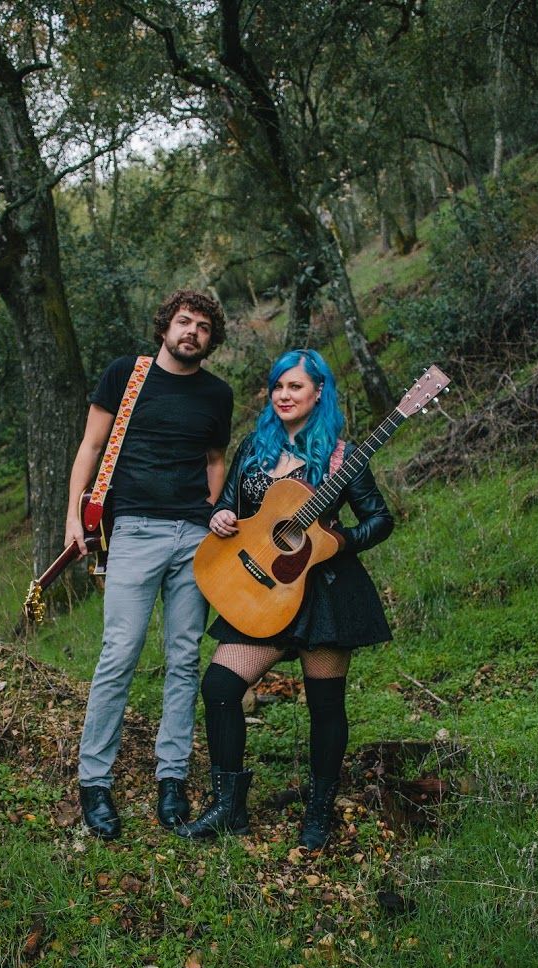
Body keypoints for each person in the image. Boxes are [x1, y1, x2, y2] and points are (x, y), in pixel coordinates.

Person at [175, 348, 394, 850]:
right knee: (220, 686)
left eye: (295, 386)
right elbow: (228, 504)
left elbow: (379, 520)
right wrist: (219, 517)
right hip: (262, 590)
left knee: (325, 704)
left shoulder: (342, 456)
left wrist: (337, 542)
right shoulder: (255, 447)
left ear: (319, 392)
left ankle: (318, 812)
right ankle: (228, 808)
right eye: (278, 386)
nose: (284, 395)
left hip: (325, 590)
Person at [66, 289, 233, 840]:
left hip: (195, 539)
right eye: (184, 321)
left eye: (203, 327)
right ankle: (94, 782)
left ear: (210, 340)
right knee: (120, 652)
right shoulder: (126, 374)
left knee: (184, 658)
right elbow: (90, 447)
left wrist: (212, 511)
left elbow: (215, 460)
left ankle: (172, 777)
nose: (192, 332)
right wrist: (73, 517)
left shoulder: (218, 394)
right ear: (165, 327)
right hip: (135, 529)